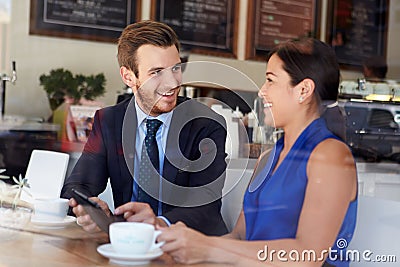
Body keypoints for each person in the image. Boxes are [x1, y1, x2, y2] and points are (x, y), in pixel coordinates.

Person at [157, 38, 358, 267]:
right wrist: (186, 252)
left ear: (303, 90)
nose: (262, 92)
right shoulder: (267, 158)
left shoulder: (331, 155)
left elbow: (306, 256)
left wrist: (207, 247)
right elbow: (240, 237)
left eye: (270, 80)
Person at [61, 20, 228, 236]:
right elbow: (76, 187)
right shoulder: (110, 121)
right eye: (156, 72)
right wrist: (89, 209)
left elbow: (206, 205)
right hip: (130, 244)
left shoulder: (206, 124)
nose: (171, 83)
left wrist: (159, 223)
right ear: (129, 76)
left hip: (191, 246)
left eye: (176, 69)